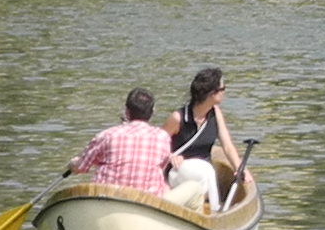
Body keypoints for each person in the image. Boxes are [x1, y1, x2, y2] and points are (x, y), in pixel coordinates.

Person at [69, 90, 178, 198]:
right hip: (147, 201)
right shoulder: (162, 137)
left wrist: (72, 164)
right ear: (152, 112)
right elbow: (161, 166)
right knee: (178, 187)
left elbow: (81, 167)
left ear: (127, 112)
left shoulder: (107, 135)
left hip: (107, 197)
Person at [166, 68, 243, 213]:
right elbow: (156, 144)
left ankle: (208, 209)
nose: (224, 92)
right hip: (178, 172)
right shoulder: (178, 118)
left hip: (203, 176)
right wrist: (171, 156)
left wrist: (240, 169)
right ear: (211, 94)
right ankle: (215, 211)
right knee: (206, 171)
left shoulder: (215, 113)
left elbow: (227, 145)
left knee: (205, 171)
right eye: (223, 89)